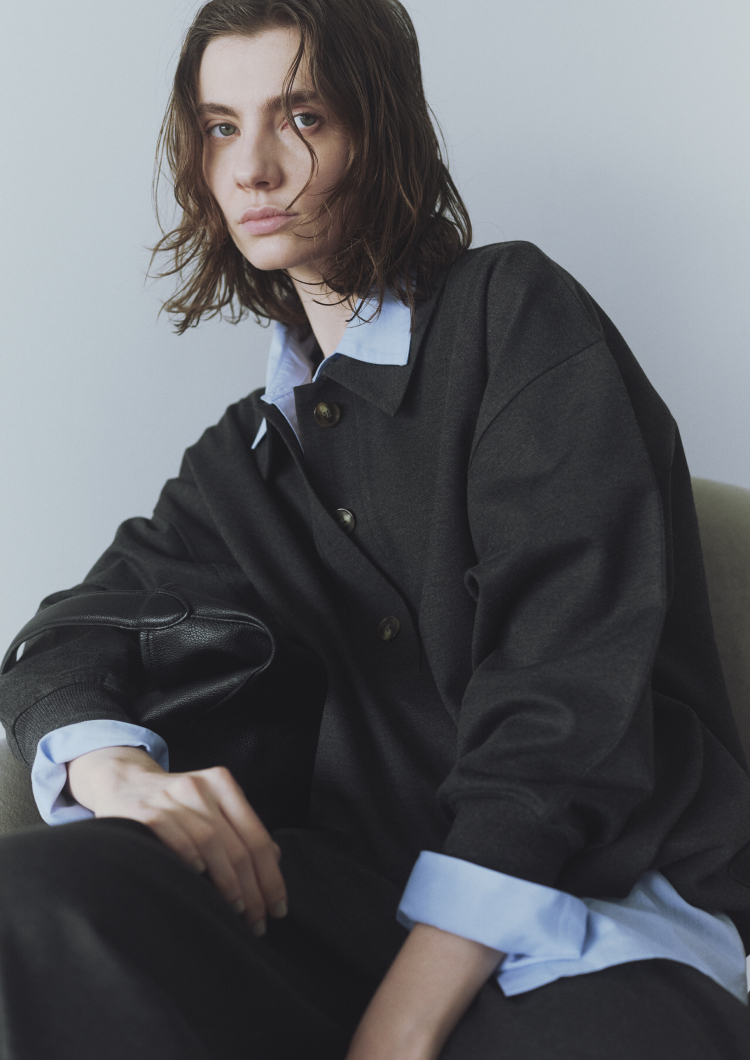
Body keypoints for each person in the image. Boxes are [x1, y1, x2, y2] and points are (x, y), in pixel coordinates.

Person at [1, 0, 750, 1057]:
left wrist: (399, 1024)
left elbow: (565, 698)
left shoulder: (514, 315)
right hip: (357, 906)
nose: (254, 168)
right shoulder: (250, 452)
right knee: (29, 902)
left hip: (602, 917)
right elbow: (70, 632)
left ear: (379, 131)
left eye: (302, 117)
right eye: (221, 127)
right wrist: (111, 768)